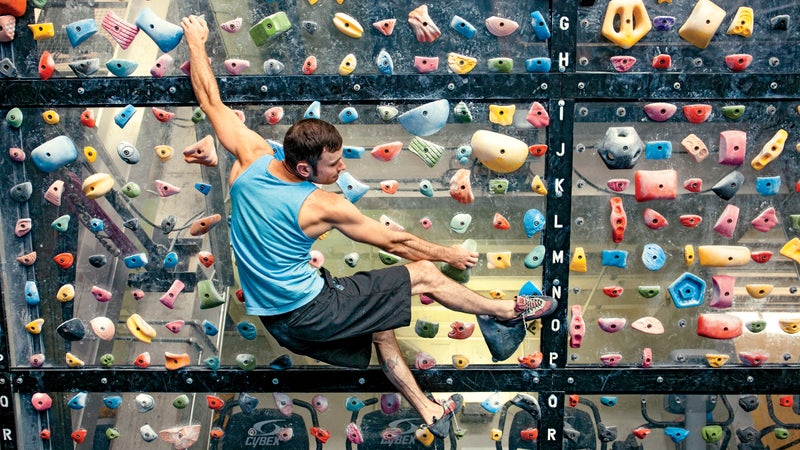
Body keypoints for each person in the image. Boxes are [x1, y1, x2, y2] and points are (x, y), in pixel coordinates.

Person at [180, 15, 557, 440]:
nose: (343, 169)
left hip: (280, 320)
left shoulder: (251, 156)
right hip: (312, 311)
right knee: (425, 275)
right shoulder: (319, 204)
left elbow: (210, 100)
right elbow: (397, 241)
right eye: (334, 164)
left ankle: (429, 409)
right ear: (304, 167)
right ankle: (507, 312)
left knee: (381, 324)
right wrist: (450, 255)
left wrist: (196, 41)